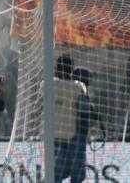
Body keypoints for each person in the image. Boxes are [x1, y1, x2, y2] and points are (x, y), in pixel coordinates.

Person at [53, 54, 89, 182]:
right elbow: (85, 112)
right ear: (71, 69)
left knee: (56, 171)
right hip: (74, 134)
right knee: (77, 172)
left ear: (56, 68)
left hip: (54, 134)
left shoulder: (48, 85)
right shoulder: (79, 87)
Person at [70, 67, 100, 183]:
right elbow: (85, 111)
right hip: (77, 137)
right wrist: (93, 113)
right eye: (88, 78)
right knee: (78, 173)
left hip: (76, 136)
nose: (90, 81)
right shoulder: (79, 90)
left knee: (77, 172)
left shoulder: (78, 90)